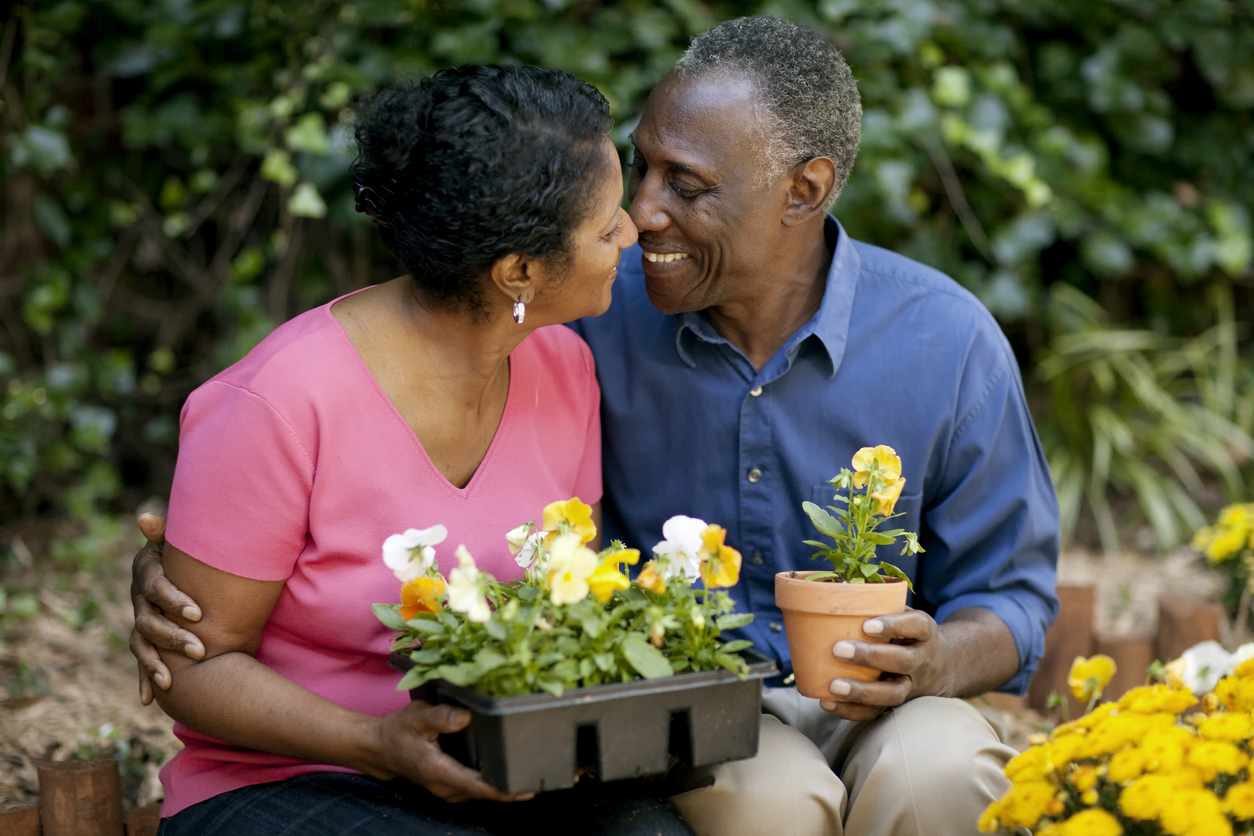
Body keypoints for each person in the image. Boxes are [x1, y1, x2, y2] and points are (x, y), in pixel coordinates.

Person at [133, 17, 1060, 836]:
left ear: (804, 190)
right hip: (667, 713)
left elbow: (1016, 597)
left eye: (684, 185)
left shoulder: (942, 339)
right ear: (520, 274)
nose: (641, 218)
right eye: (637, 172)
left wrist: (938, 657)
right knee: (766, 805)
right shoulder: (587, 324)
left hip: (884, 702)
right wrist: (186, 571)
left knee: (941, 775)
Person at [129, 63, 702, 836]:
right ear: (519, 272)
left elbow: (564, 602)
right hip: (292, 779)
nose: (633, 231)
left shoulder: (564, 369)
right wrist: (377, 744)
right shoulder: (276, 403)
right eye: (607, 228)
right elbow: (192, 666)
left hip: (500, 762)